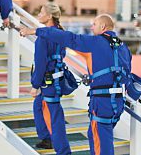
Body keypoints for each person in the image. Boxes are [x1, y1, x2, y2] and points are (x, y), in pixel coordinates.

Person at [21, 14, 131, 155]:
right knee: (94, 135)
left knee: (101, 143)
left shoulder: (95, 42)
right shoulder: (122, 46)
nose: (91, 27)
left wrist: (34, 31)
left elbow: (69, 38)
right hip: (118, 101)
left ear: (103, 27)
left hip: (102, 102)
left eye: (94, 24)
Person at [30, 4, 72, 154]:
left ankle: (63, 151)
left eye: (41, 13)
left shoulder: (43, 38)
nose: (39, 15)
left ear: (49, 17)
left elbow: (40, 63)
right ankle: (46, 138)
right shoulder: (60, 33)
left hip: (48, 82)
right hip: (56, 80)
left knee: (54, 117)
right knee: (38, 106)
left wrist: (35, 85)